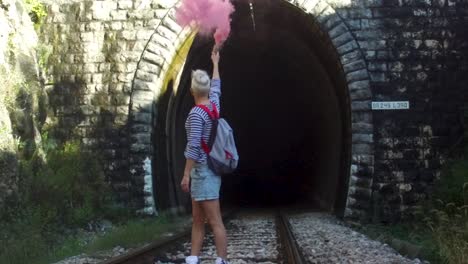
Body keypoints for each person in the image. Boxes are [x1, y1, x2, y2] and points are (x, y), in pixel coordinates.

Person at [181, 45, 229, 264]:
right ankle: (194, 258)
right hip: (209, 171)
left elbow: (193, 147)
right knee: (199, 220)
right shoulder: (214, 107)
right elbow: (217, 87)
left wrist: (186, 175)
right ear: (207, 90)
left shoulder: (195, 115)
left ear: (192, 92)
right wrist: (215, 64)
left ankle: (221, 260)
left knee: (213, 221)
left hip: (202, 172)